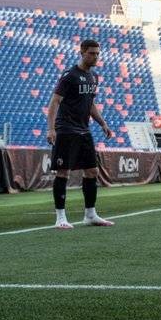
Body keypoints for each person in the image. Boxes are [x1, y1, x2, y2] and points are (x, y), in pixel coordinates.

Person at [46, 39, 115, 229]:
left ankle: (90, 215)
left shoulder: (94, 77)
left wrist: (103, 124)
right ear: (82, 52)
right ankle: (60, 217)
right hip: (66, 129)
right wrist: (51, 129)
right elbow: (55, 102)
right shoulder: (69, 76)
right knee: (63, 171)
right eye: (92, 53)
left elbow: (90, 103)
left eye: (97, 54)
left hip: (84, 130)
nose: (95, 57)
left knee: (92, 171)